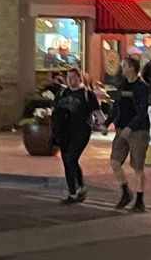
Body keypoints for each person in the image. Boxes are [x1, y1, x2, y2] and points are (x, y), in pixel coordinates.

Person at [103, 57, 151, 213]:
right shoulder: (122, 85)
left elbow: (143, 111)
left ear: (131, 68)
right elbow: (117, 106)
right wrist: (107, 123)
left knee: (138, 166)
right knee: (114, 161)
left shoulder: (142, 87)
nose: (121, 69)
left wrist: (131, 127)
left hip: (138, 131)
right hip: (121, 128)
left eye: (124, 66)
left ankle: (139, 200)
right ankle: (125, 190)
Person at [51, 67, 101, 204]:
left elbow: (97, 112)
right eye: (68, 77)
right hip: (64, 132)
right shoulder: (62, 93)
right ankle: (73, 192)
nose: (70, 80)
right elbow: (54, 109)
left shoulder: (87, 94)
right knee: (67, 160)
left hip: (81, 131)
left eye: (73, 77)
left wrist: (103, 125)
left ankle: (80, 188)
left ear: (79, 78)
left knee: (71, 157)